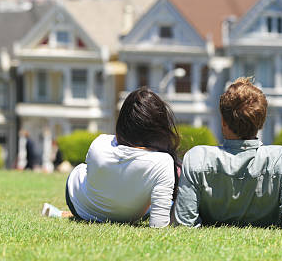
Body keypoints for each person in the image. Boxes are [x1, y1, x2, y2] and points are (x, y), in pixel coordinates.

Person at [173, 77, 282, 230]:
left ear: (223, 121)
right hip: (274, 213)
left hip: (211, 214)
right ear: (261, 121)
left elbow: (184, 224)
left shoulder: (197, 158)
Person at [42, 87, 180, 227]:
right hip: (129, 214)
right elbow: (159, 224)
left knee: (80, 171)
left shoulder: (100, 143)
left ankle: (68, 214)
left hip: (82, 206)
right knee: (164, 200)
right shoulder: (163, 162)